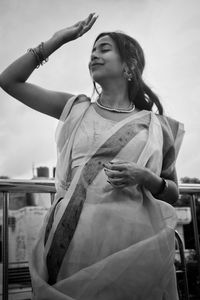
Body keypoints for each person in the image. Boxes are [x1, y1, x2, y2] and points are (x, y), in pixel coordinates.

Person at [0, 13, 185, 300]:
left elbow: (173, 193)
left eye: (104, 49)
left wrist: (146, 177)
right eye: (92, 51)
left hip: (131, 250)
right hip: (70, 246)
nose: (93, 56)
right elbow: (9, 81)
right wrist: (58, 39)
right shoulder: (77, 108)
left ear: (129, 65)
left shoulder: (157, 126)